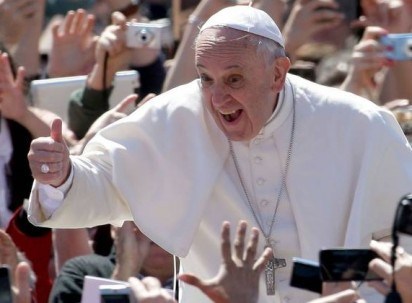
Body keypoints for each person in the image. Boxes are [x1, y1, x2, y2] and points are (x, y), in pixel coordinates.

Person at [27, 5, 412, 303]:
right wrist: (60, 175)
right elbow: (103, 183)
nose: (217, 98)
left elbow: (402, 240)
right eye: (205, 78)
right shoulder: (175, 117)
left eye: (234, 79)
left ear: (278, 74)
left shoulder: (360, 125)